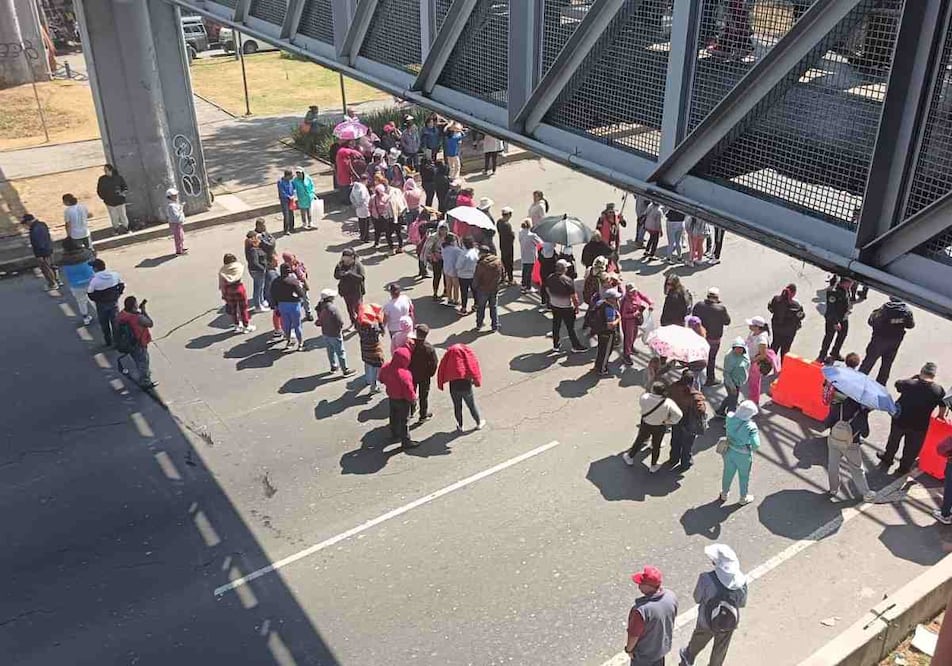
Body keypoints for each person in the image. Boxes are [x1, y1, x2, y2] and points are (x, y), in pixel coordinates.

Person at [679, 544, 748, 666]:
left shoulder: (706, 578)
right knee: (720, 650)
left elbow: (697, 598)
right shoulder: (741, 582)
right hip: (728, 622)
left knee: (697, 641)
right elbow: (742, 603)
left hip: (706, 620)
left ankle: (687, 660)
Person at [879, 363, 948, 475]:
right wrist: (941, 415)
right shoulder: (938, 390)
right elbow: (943, 404)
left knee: (893, 441)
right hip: (920, 425)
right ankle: (904, 468)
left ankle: (888, 458)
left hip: (900, 421)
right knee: (911, 448)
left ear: (921, 371)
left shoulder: (909, 384)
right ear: (933, 376)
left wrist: (913, 378)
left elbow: (898, 384)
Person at [823, 361, 876, 502]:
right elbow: (865, 433)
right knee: (856, 469)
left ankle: (833, 489)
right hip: (851, 443)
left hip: (834, 440)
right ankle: (866, 493)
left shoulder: (838, 407)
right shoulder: (860, 413)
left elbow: (827, 422)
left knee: (833, 465)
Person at [623, 382, 683, 473]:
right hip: (659, 426)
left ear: (653, 390)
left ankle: (630, 457)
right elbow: (678, 415)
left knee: (639, 440)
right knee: (656, 445)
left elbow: (642, 405)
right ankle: (653, 465)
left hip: (646, 423)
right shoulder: (668, 402)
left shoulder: (645, 397)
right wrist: (668, 421)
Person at [625, 566, 679, 665]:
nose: (639, 585)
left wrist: (628, 650)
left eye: (642, 583)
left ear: (649, 586)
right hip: (661, 650)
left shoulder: (641, 611)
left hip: (644, 656)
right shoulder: (671, 596)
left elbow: (633, 635)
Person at [858, 296, 915, 385]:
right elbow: (910, 325)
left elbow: (872, 321)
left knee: (867, 363)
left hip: (879, 341)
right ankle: (880, 387)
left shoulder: (884, 309)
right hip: (894, 342)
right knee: (886, 366)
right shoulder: (907, 311)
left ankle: (858, 383)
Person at [437, 343, 486, 431]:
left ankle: (460, 425)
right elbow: (473, 367)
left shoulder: (448, 358)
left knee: (457, 406)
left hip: (453, 387)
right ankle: (478, 423)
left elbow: (441, 369)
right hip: (466, 386)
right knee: (471, 405)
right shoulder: (466, 355)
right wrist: (476, 381)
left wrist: (440, 384)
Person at [720, 400, 760, 505]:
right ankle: (743, 497)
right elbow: (756, 445)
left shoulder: (730, 417)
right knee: (744, 476)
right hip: (743, 455)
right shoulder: (751, 427)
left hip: (729, 450)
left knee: (727, 473)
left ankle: (724, 493)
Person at [378, 347, 418, 448]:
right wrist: (413, 399)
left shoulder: (386, 367)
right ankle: (406, 441)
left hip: (392, 397)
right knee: (404, 421)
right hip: (403, 400)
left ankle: (394, 433)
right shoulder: (404, 374)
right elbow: (408, 390)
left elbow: (381, 379)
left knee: (394, 416)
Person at [668, 371, 709, 470]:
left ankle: (673, 458)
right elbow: (701, 410)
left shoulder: (673, 387)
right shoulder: (694, 395)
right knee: (687, 444)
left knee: (675, 440)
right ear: (692, 381)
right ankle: (685, 463)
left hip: (676, 419)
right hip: (688, 422)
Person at [692, 287, 731, 386]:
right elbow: (727, 321)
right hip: (714, 339)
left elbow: (694, 317)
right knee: (711, 358)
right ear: (717, 297)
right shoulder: (720, 309)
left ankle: (694, 376)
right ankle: (710, 379)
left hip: (700, 336)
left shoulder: (699, 305)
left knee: (698, 356)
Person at [546, 260, 587, 352]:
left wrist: (552, 298)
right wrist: (576, 307)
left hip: (554, 305)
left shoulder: (550, 277)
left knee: (556, 324)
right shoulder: (568, 281)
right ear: (564, 269)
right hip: (566, 308)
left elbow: (547, 289)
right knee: (570, 328)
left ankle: (556, 344)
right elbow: (574, 297)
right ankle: (575, 346)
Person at [115, 295, 155, 388]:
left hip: (129, 343)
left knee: (137, 360)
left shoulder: (122, 314)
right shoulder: (138, 318)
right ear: (134, 306)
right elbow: (150, 323)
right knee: (143, 362)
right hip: (139, 343)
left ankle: (143, 373)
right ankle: (145, 381)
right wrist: (144, 311)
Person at [87, 258, 125, 347]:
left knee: (104, 323)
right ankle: (117, 342)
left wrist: (97, 300)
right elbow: (121, 285)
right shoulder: (114, 275)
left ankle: (108, 341)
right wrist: (118, 294)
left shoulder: (94, 281)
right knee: (115, 322)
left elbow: (90, 293)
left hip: (101, 305)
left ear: (95, 269)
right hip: (113, 302)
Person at [317, 289, 354, 375]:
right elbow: (340, 321)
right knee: (340, 352)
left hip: (325, 332)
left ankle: (333, 366)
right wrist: (339, 329)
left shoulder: (321, 307)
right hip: (334, 333)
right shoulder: (333, 308)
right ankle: (345, 370)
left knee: (330, 351)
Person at [271, 263, 305, 348]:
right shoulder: (293, 281)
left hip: (282, 305)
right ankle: (300, 343)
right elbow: (301, 294)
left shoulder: (275, 281)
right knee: (297, 325)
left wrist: (276, 305)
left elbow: (273, 294)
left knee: (286, 324)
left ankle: (289, 340)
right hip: (294, 305)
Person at [817, 276, 852, 361]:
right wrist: (835, 323)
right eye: (850, 282)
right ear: (845, 282)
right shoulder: (833, 292)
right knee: (829, 337)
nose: (852, 284)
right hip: (832, 319)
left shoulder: (846, 289)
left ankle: (835, 353)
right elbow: (831, 309)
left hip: (843, 318)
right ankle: (822, 356)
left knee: (842, 335)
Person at [409, 324, 439, 422]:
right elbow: (434, 363)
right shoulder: (429, 348)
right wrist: (430, 373)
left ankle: (411, 411)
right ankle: (423, 415)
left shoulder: (411, 345)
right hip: (424, 376)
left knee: (411, 393)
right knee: (423, 396)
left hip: (411, 374)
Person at [59, 241, 95, 325]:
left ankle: (86, 318)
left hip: (75, 284)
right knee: (96, 299)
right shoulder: (86, 253)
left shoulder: (64, 259)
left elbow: (58, 265)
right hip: (90, 280)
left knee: (81, 301)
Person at [219, 254, 255, 334]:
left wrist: (224, 294)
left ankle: (237, 325)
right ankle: (246, 326)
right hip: (239, 288)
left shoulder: (222, 270)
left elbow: (222, 284)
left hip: (229, 290)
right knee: (243, 308)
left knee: (233, 309)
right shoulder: (238, 267)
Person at [767, 283, 804, 361]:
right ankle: (783, 368)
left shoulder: (776, 299)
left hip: (776, 328)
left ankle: (767, 365)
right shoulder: (795, 305)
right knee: (785, 350)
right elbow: (800, 316)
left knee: (774, 346)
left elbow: (770, 308)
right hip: (789, 332)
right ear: (794, 293)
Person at [21, 213, 58, 289]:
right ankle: (58, 280)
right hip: (49, 248)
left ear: (28, 221)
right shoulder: (42, 224)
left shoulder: (34, 229)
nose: (26, 225)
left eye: (26, 223)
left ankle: (53, 284)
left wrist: (39, 255)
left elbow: (38, 243)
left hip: (42, 252)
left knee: (46, 269)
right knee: (52, 266)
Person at [620, 282, 653, 365]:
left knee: (635, 334)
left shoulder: (636, 293)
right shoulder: (625, 301)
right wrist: (634, 314)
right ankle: (626, 355)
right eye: (632, 291)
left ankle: (631, 347)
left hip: (636, 319)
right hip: (628, 321)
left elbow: (644, 297)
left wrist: (650, 303)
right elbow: (623, 315)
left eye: (634, 290)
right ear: (628, 292)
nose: (634, 292)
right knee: (628, 337)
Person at [716, 339, 750, 417]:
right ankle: (730, 422)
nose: (738, 350)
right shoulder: (729, 358)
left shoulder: (745, 354)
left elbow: (747, 364)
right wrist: (732, 387)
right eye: (736, 348)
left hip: (739, 382)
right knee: (733, 404)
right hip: (732, 383)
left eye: (740, 348)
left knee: (731, 397)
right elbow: (726, 373)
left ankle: (720, 411)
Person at [473, 244, 504, 332]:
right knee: (493, 307)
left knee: (481, 308)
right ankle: (495, 325)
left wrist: (475, 287)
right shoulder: (498, 260)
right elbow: (503, 273)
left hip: (483, 289)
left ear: (482, 253)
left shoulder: (481, 264)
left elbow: (477, 277)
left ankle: (479, 324)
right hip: (494, 288)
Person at [592, 288, 622, 376]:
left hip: (599, 330)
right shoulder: (609, 310)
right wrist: (619, 318)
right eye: (615, 298)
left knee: (601, 349)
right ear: (610, 299)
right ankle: (602, 369)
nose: (617, 299)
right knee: (606, 352)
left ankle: (597, 365)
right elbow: (611, 325)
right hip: (607, 333)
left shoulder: (600, 303)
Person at [357, 303, 385, 393]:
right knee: (374, 368)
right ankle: (373, 387)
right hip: (374, 349)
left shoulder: (359, 325)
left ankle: (368, 380)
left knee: (367, 364)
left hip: (364, 348)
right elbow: (381, 331)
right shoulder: (373, 327)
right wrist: (380, 321)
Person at [96, 164, 129, 234]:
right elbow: (99, 190)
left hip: (120, 200)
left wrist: (122, 193)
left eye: (106, 170)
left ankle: (125, 228)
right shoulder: (102, 179)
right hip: (109, 202)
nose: (105, 172)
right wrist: (104, 198)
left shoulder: (119, 178)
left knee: (123, 215)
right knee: (114, 216)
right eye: (104, 170)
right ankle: (116, 229)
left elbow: (125, 187)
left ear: (111, 170)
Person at [745, 316, 771, 405]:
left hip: (756, 363)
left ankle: (754, 401)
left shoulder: (761, 339)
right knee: (751, 382)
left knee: (754, 383)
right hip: (751, 360)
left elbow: (763, 355)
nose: (749, 326)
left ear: (757, 327)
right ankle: (751, 398)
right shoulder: (753, 333)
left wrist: (752, 361)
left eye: (751, 325)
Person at [282, 252, 312, 321]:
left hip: (303, 284)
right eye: (290, 260)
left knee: (306, 299)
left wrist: (304, 274)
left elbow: (304, 270)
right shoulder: (287, 268)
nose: (292, 261)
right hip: (295, 287)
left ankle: (308, 313)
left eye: (293, 258)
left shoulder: (299, 264)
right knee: (297, 301)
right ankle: (295, 315)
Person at [243, 231, 267, 311]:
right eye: (256, 236)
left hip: (254, 270)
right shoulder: (253, 249)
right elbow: (255, 262)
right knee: (258, 288)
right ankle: (258, 306)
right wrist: (263, 269)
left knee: (260, 287)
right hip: (257, 271)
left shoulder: (250, 246)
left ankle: (262, 301)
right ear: (253, 238)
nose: (257, 238)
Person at [455, 236, 479, 314]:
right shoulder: (475, 251)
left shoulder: (463, 254)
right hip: (473, 274)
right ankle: (476, 305)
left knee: (464, 292)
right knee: (474, 290)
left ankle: (464, 308)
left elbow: (458, 266)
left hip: (463, 276)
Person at [518, 219, 542, 293]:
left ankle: (523, 285)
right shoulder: (532, 235)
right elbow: (540, 242)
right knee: (529, 273)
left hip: (523, 254)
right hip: (530, 256)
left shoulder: (521, 232)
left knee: (524, 271)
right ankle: (528, 287)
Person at [264, 255, 283, 339]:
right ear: (270, 262)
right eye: (275, 261)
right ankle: (279, 329)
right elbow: (271, 288)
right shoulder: (271, 274)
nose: (277, 263)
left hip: (274, 298)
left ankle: (278, 329)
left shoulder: (271, 271)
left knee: (277, 313)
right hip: (276, 298)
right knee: (278, 313)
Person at [495, 206, 516, 285]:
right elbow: (511, 237)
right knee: (509, 263)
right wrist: (513, 234)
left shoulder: (499, 222)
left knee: (503, 261)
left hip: (502, 244)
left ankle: (503, 277)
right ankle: (510, 279)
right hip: (508, 246)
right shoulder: (507, 225)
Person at [441, 234, 462, 306]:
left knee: (448, 285)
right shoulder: (456, 250)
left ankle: (449, 299)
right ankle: (456, 300)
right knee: (456, 286)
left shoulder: (443, 247)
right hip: (454, 270)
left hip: (446, 269)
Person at [166, 188, 187, 255]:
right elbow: (176, 216)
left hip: (177, 223)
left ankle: (181, 247)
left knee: (181, 235)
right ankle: (179, 251)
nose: (176, 196)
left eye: (176, 195)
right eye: (174, 195)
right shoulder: (171, 206)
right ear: (170, 197)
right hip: (175, 223)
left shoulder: (173, 204)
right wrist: (181, 209)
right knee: (178, 237)